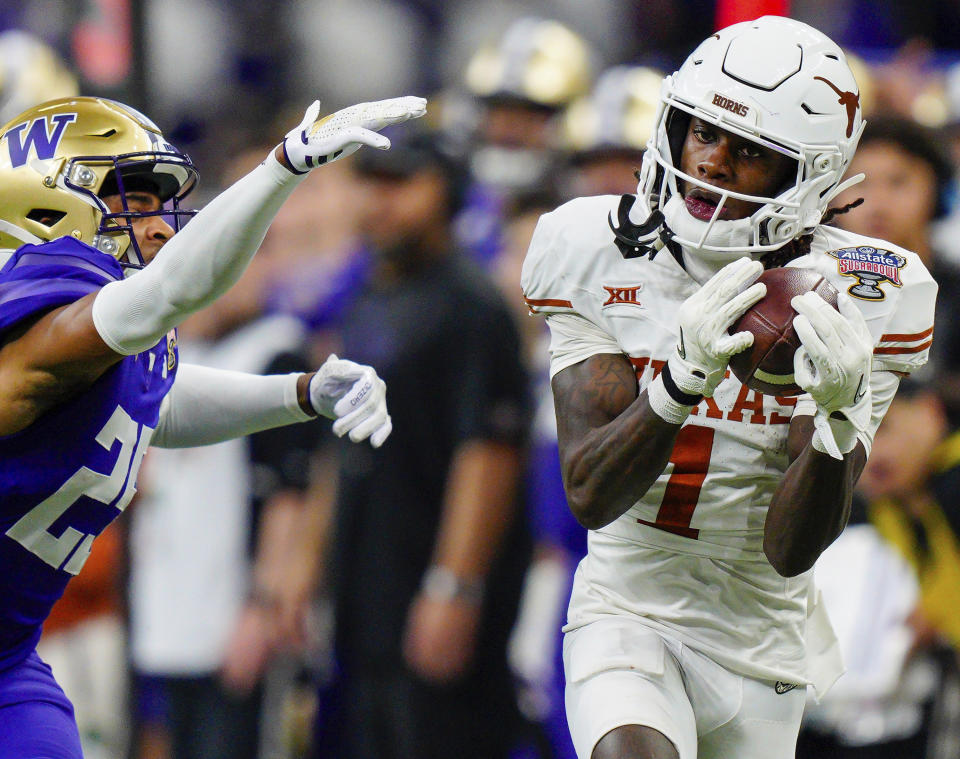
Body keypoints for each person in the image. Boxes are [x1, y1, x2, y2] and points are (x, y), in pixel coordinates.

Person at [520, 15, 937, 759]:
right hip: (630, 608)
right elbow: (589, 492)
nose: (711, 162)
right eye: (702, 131)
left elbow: (791, 548)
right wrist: (679, 383)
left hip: (764, 643)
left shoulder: (868, 292)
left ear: (807, 173)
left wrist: (840, 418)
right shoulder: (593, 249)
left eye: (749, 150)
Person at [0, 92, 425, 758]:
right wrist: (279, 169)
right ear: (50, 203)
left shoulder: (103, 352)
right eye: (136, 203)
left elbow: (155, 404)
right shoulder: (38, 330)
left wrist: (300, 393)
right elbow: (169, 293)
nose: (165, 228)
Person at [296, 127, 532, 759]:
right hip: (361, 597)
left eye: (400, 183)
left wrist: (453, 586)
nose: (379, 201)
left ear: (446, 189)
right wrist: (304, 576)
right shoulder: (368, 297)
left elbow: (488, 451)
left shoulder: (470, 305)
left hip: (427, 590)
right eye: (370, 183)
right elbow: (333, 448)